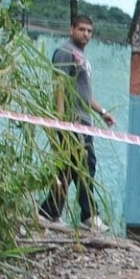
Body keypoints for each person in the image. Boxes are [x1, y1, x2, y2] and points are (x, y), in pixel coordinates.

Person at [42, 15, 116, 230]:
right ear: (71, 29)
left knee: (70, 169)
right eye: (82, 29)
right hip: (72, 121)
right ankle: (89, 215)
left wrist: (103, 112)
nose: (86, 34)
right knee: (85, 165)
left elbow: (85, 93)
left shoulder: (82, 57)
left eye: (89, 31)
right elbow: (60, 85)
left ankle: (49, 212)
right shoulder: (65, 52)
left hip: (84, 119)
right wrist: (62, 120)